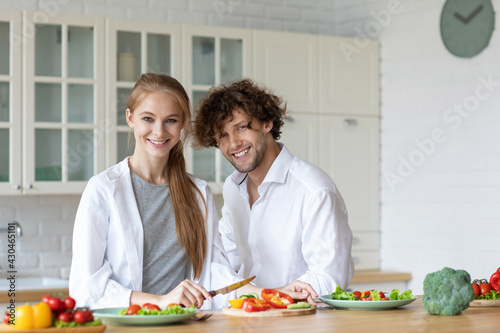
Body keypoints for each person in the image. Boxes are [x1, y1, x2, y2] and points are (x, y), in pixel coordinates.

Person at [69, 73, 313, 310]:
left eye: (171, 120)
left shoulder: (198, 193)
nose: (159, 131)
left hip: (183, 326)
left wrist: (274, 293)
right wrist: (160, 302)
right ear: (130, 118)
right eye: (148, 119)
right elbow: (85, 288)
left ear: (182, 124)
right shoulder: (103, 190)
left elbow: (215, 274)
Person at [193, 78, 355, 301]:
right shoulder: (233, 187)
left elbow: (328, 279)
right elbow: (227, 259)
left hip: (302, 321)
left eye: (241, 127)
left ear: (267, 123)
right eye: (223, 135)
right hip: (248, 316)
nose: (233, 144)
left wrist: (272, 297)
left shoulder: (314, 190)